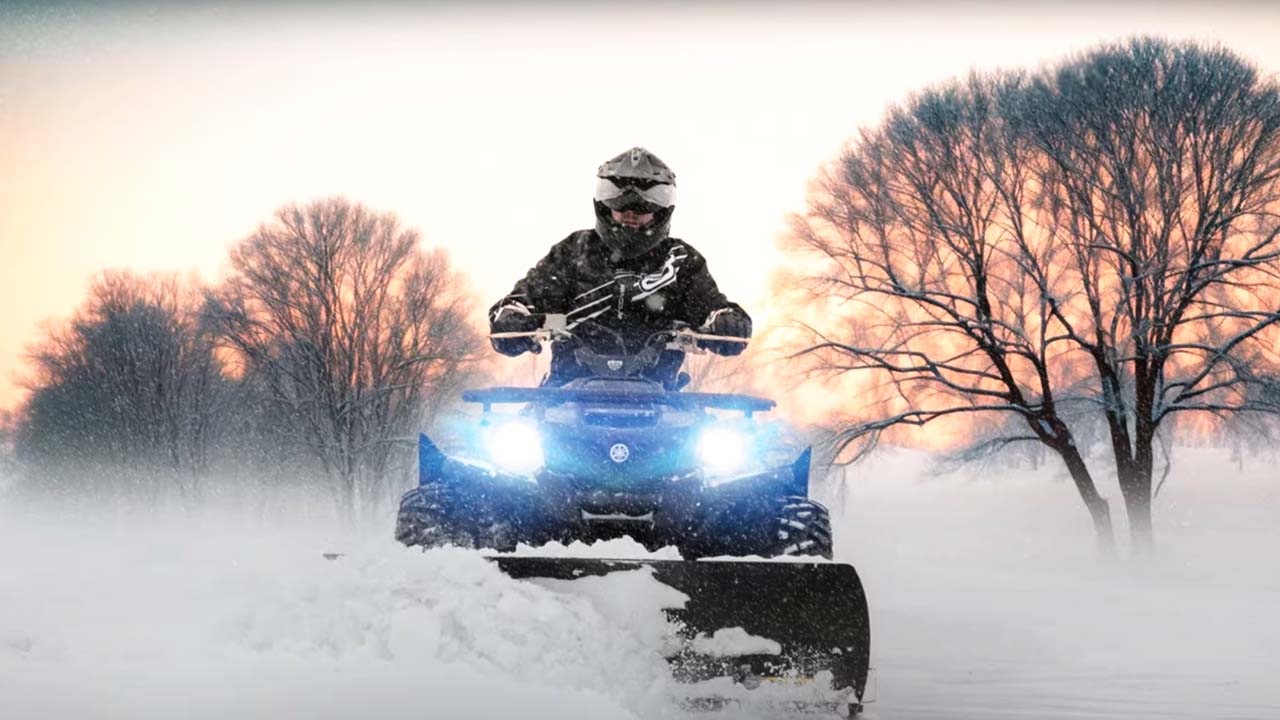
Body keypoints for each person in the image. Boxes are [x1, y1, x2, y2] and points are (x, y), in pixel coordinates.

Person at [488, 147, 752, 388]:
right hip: (565, 396)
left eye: (646, 201)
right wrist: (512, 320)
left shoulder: (680, 261)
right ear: (603, 202)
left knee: (725, 438)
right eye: (618, 197)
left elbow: (712, 305)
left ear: (663, 208)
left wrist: (727, 323)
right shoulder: (573, 251)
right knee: (500, 436)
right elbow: (523, 299)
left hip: (660, 400)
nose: (630, 210)